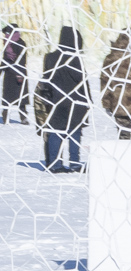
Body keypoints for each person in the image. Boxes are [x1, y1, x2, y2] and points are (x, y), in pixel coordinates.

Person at [36, 26, 87, 172]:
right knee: (74, 132)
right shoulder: (74, 58)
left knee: (55, 132)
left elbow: (46, 78)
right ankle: (75, 162)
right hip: (75, 101)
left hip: (56, 99)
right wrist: (87, 100)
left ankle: (54, 163)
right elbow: (81, 79)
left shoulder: (50, 57)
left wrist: (46, 97)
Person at [1, 25, 27, 125]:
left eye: (8, 33)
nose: (6, 35)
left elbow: (22, 59)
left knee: (21, 97)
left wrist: (20, 74)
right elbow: (5, 59)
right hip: (9, 74)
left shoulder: (21, 43)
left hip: (18, 74)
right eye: (5, 33)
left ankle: (23, 117)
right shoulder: (7, 43)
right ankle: (5, 116)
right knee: (7, 97)